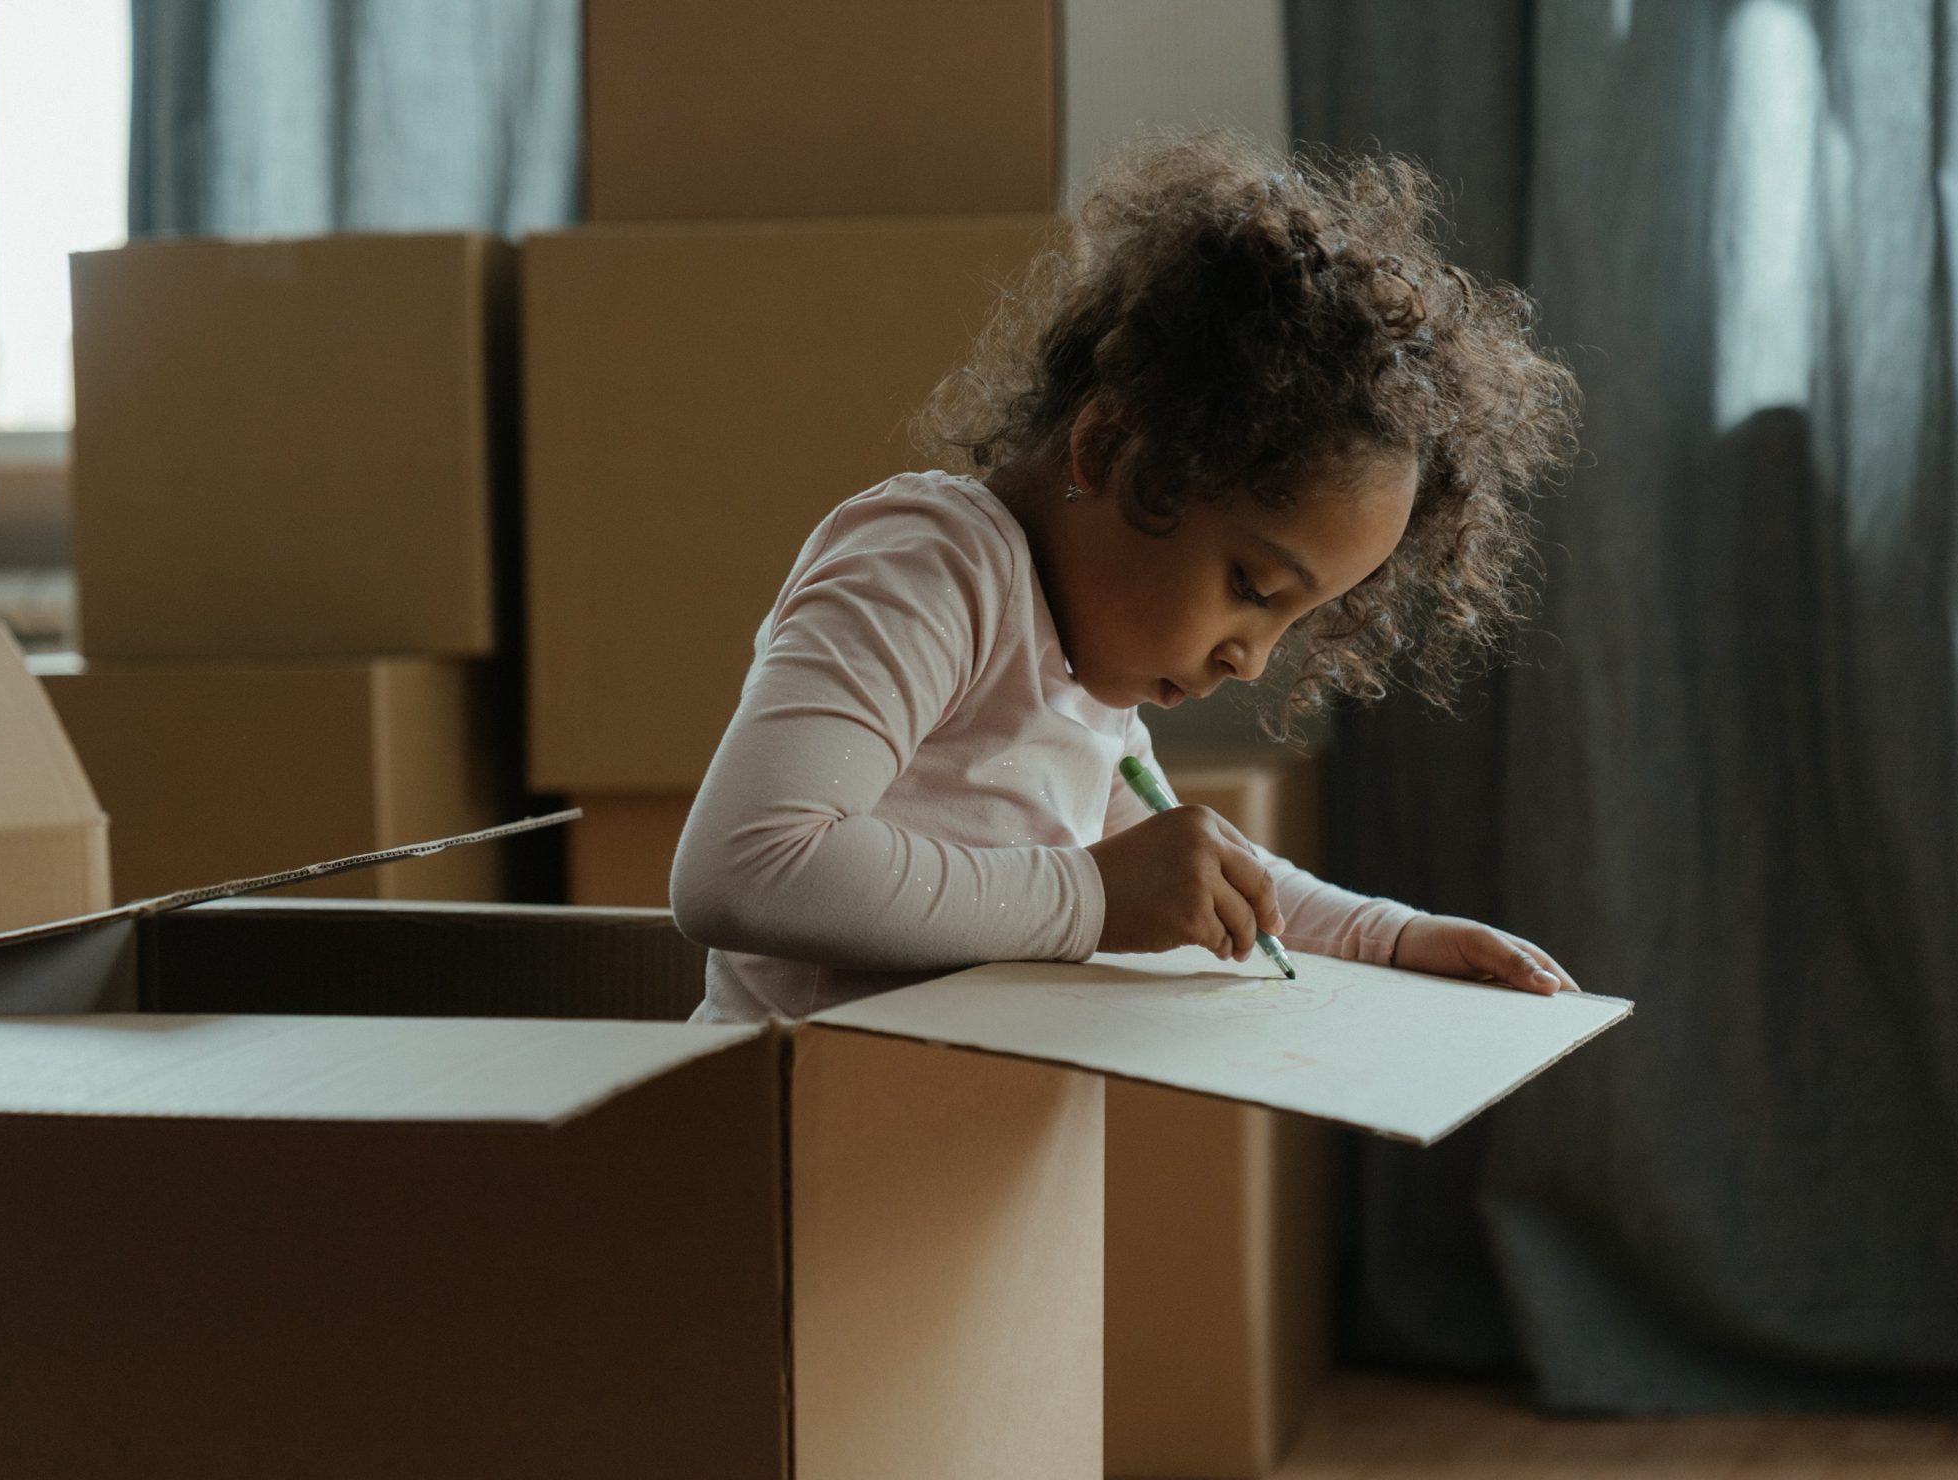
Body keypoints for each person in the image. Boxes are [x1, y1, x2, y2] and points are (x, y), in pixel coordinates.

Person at [672, 134, 1585, 1024]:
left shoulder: (1084, 681)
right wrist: (1094, 897)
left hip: (958, 1148)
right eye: (1254, 588)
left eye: (1294, 620)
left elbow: (1212, 884)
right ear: (1109, 448)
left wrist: (1393, 935)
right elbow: (746, 868)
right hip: (786, 1144)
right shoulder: (934, 568)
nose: (1253, 660)